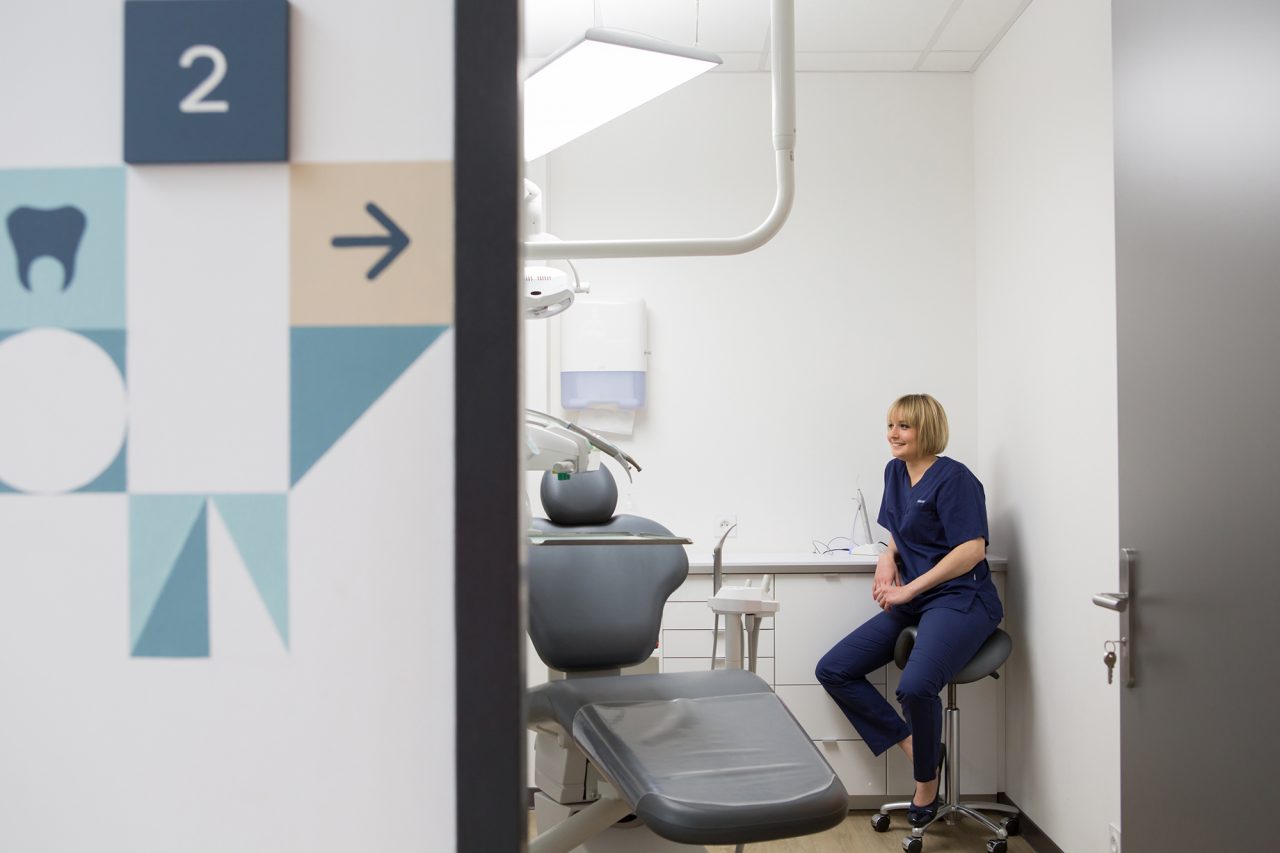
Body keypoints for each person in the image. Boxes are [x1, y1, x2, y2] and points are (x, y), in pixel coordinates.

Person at [815, 393, 1003, 826]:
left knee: (916, 687)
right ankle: (919, 748)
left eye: (904, 426)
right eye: (890, 425)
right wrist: (887, 557)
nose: (893, 434)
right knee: (835, 669)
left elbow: (972, 550)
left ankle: (926, 783)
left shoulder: (956, 479)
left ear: (927, 430)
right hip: (918, 600)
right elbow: (901, 530)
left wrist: (908, 590)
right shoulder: (895, 472)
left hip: (962, 599)